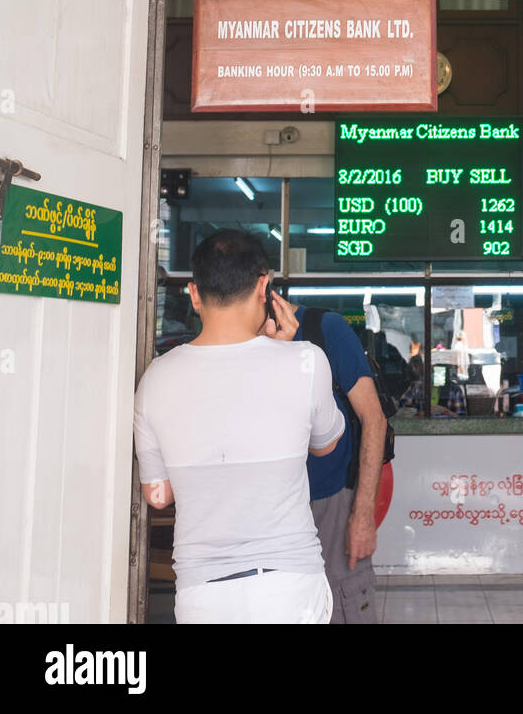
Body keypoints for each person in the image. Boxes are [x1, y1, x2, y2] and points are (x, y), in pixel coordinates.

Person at [133, 230, 344, 624]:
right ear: (265, 286)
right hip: (290, 589)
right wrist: (283, 348)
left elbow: (158, 496)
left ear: (194, 295)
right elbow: (325, 445)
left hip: (203, 594)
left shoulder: (155, 380)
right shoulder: (306, 362)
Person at [294, 303, 388, 624]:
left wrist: (362, 516)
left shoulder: (322, 329)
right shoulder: (238, 341)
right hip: (272, 511)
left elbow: (374, 418)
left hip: (330, 503)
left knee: (343, 603)